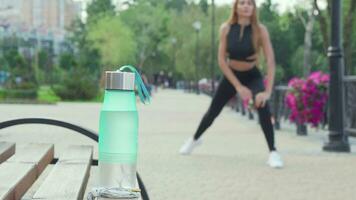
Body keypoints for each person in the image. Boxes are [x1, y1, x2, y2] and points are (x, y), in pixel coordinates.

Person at [179, 0, 283, 168]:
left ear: (254, 8)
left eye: (250, 3)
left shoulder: (260, 30)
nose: (246, 6)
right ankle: (194, 140)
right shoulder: (226, 29)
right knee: (213, 111)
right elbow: (221, 60)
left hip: (252, 75)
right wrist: (238, 87)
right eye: (242, 3)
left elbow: (271, 61)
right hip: (231, 75)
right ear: (236, 7)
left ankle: (273, 152)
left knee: (263, 105)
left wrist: (267, 91)